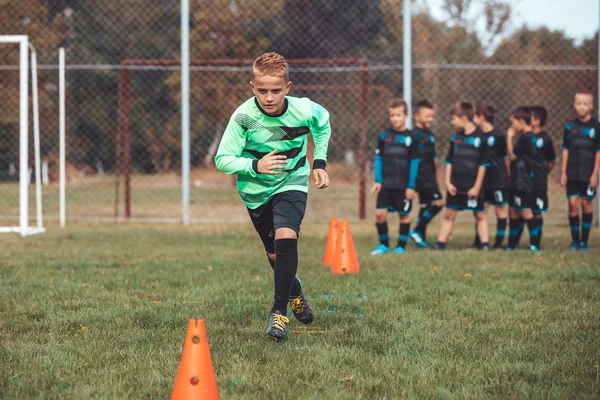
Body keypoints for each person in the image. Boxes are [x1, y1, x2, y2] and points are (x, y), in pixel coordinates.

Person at [214, 53, 331, 342]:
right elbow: (222, 159)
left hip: (292, 182)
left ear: (288, 87)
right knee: (275, 255)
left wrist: (319, 162)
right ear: (252, 86)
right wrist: (254, 165)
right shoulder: (243, 117)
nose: (269, 97)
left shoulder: (304, 110)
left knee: (287, 235)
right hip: (255, 194)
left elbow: (323, 123)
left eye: (276, 91)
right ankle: (295, 292)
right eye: (262, 90)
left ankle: (279, 313)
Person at [435, 102, 489, 250]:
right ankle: (440, 245)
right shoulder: (456, 139)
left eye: (454, 118)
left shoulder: (481, 138)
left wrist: (477, 187)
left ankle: (484, 245)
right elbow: (449, 161)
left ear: (463, 118)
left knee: (479, 215)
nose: (452, 122)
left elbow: (483, 165)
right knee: (449, 214)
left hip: (473, 186)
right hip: (455, 185)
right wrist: (448, 182)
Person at [371, 98, 419, 255]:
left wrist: (411, 186)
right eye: (392, 115)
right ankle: (384, 244)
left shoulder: (412, 138)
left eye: (398, 115)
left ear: (406, 116)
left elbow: (414, 163)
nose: (395, 119)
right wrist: (378, 181)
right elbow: (379, 160)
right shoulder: (384, 137)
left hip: (403, 185)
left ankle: (400, 246)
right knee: (379, 215)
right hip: (386, 184)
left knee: (404, 216)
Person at [560, 89, 600, 251]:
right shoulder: (570, 126)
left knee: (586, 204)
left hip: (588, 173)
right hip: (572, 172)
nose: (581, 107)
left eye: (585, 104)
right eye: (579, 103)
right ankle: (574, 240)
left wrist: (595, 174)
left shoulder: (596, 127)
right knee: (572, 203)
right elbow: (565, 149)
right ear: (574, 105)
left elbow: (598, 151)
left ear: (590, 106)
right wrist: (563, 172)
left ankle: (584, 241)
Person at [472, 103, 510, 249]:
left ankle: (499, 243)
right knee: (480, 211)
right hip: (482, 180)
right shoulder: (478, 136)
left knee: (500, 210)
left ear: (481, 117)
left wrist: (508, 175)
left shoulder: (498, 136)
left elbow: (504, 157)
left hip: (498, 179)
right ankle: (479, 241)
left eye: (475, 116)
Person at [409, 100, 444, 248]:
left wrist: (437, 177)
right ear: (417, 116)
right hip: (422, 175)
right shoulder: (414, 135)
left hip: (430, 175)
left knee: (424, 206)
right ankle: (416, 230)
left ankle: (420, 237)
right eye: (427, 116)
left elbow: (434, 158)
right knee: (439, 203)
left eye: (432, 116)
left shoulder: (430, 134)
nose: (430, 119)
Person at [506, 106, 541, 251]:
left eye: (513, 122)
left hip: (523, 182)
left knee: (526, 212)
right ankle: (512, 244)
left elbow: (513, 156)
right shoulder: (530, 136)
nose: (512, 126)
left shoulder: (524, 137)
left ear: (521, 121)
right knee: (514, 211)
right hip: (519, 180)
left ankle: (535, 245)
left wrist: (508, 137)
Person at [529, 106, 556, 249]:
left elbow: (552, 161)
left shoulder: (545, 139)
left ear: (537, 121)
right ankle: (516, 242)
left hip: (539, 182)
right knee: (524, 210)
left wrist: (542, 173)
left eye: (530, 117)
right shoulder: (524, 136)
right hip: (524, 181)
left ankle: (535, 243)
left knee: (537, 212)